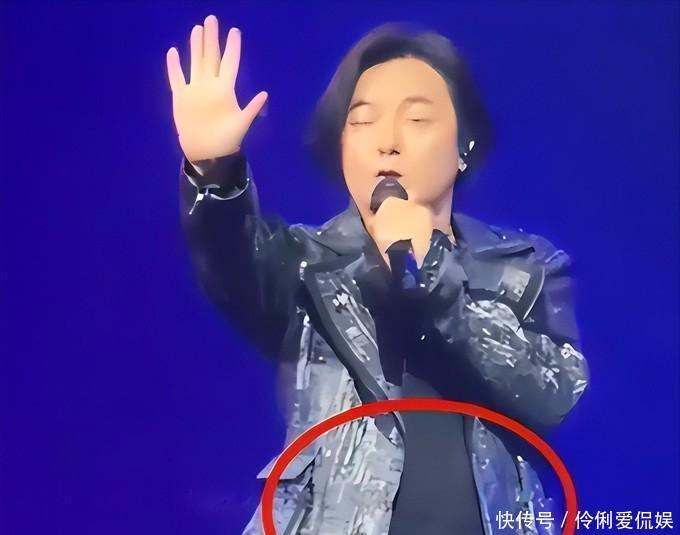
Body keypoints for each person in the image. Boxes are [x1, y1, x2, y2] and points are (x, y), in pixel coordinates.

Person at [166, 15, 590, 535]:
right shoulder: (304, 263)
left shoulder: (524, 268)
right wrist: (215, 172)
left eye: (417, 119)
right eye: (363, 121)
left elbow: (553, 394)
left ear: (464, 146)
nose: (387, 142)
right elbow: (229, 255)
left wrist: (436, 271)